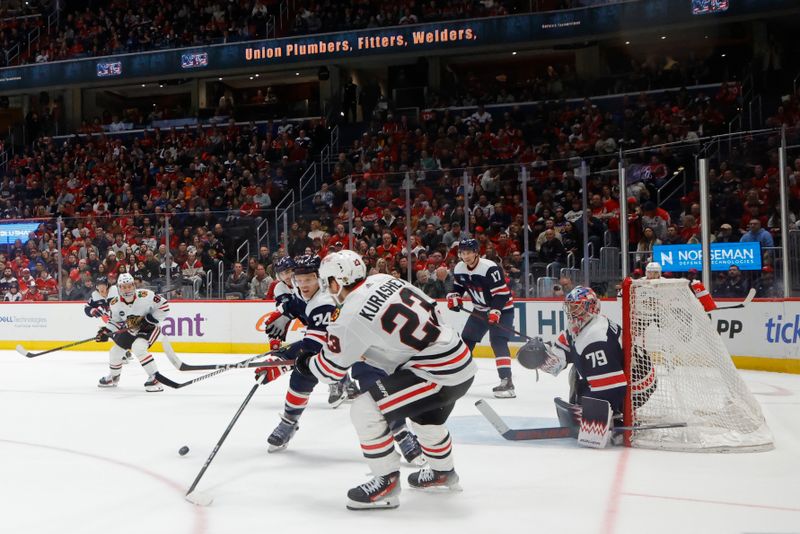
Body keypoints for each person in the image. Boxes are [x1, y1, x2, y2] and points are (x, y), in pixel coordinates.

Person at [291, 250, 475, 510]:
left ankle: (386, 484)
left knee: (364, 411)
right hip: (460, 358)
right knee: (426, 418)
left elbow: (330, 370)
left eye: (326, 280)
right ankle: (443, 472)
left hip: (435, 374)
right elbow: (432, 312)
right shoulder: (386, 280)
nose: (325, 286)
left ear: (338, 281)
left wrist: (306, 363)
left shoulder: (348, 316)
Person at [520, 287, 636, 431]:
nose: (572, 313)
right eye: (571, 307)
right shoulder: (581, 327)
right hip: (621, 379)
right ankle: (609, 410)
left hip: (637, 387)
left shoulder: (596, 337)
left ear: (591, 308)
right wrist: (541, 355)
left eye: (577, 308)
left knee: (591, 384)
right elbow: (562, 353)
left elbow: (612, 386)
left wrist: (592, 416)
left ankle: (616, 414)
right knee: (576, 373)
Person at [448, 239, 515, 398]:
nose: (466, 256)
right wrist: (454, 296)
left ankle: (507, 381)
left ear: (476, 252)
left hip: (502, 309)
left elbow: (502, 294)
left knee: (498, 342)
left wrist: (496, 311)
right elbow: (458, 287)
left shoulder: (489, 268)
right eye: (462, 253)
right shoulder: (459, 267)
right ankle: (458, 378)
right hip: (479, 310)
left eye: (469, 252)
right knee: (466, 341)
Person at [95, 273, 169, 392]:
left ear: (134, 286)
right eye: (123, 287)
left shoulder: (146, 295)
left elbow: (164, 306)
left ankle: (155, 378)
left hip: (149, 328)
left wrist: (152, 319)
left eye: (129, 286)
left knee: (138, 347)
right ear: (119, 288)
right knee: (115, 352)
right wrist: (105, 331)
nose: (127, 289)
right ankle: (114, 377)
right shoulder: (115, 303)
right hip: (131, 329)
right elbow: (114, 321)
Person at [645, 262, 716, 312]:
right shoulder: (640, 283)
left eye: (655, 272)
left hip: (662, 313)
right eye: (649, 272)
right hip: (645, 313)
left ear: (659, 273)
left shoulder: (666, 283)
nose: (652, 275)